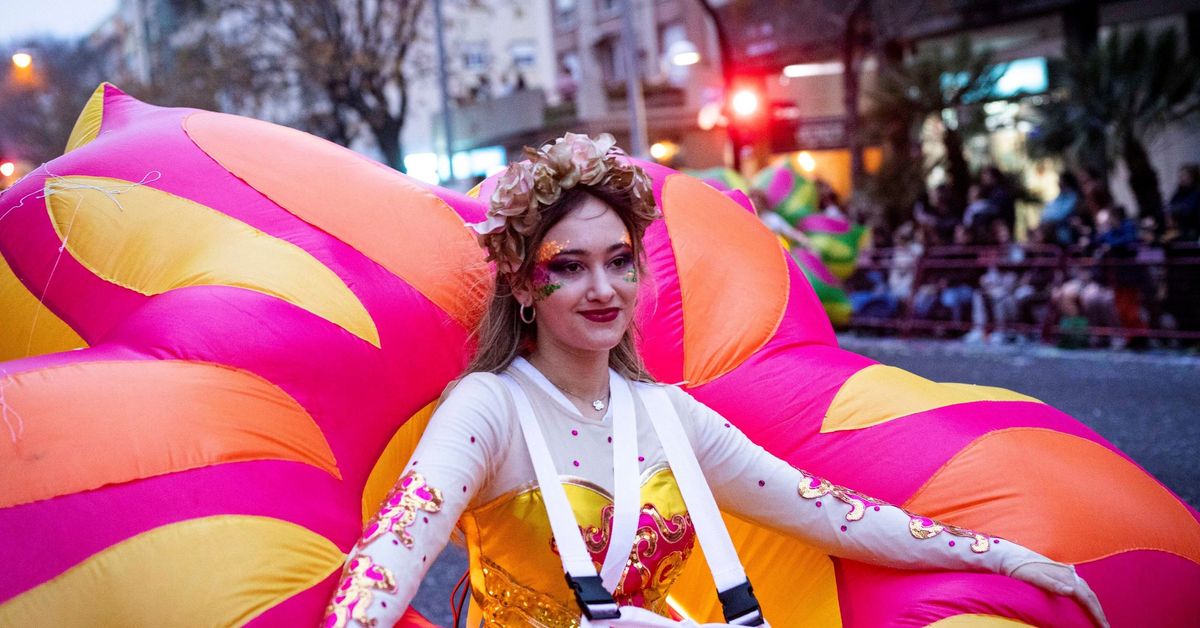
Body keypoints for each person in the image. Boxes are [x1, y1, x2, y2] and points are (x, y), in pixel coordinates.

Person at [323, 133, 1107, 627]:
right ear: (526, 285)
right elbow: (388, 562)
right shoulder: (487, 408)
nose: (603, 289)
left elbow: (831, 513)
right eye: (570, 267)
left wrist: (998, 555)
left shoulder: (669, 417)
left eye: (619, 261)